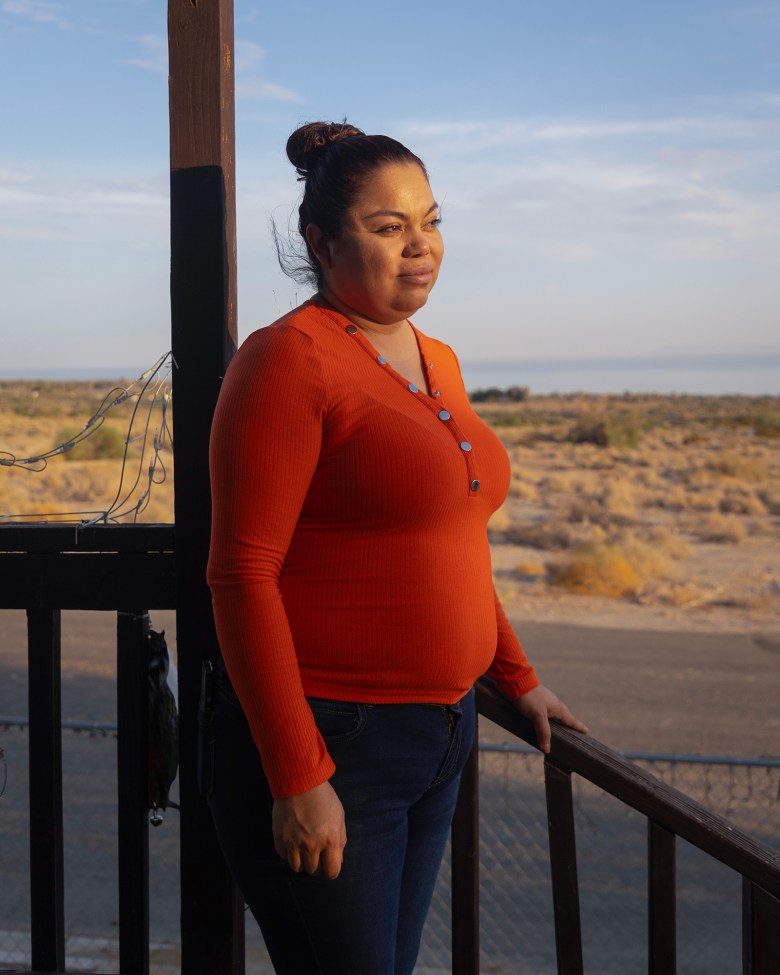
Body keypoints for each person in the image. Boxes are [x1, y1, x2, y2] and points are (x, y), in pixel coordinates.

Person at [206, 120, 587, 975]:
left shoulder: (436, 357)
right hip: (334, 740)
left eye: (431, 219)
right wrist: (298, 772)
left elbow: (449, 539)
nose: (421, 246)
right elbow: (240, 572)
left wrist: (515, 676)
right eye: (388, 227)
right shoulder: (285, 361)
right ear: (322, 240)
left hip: (440, 732)